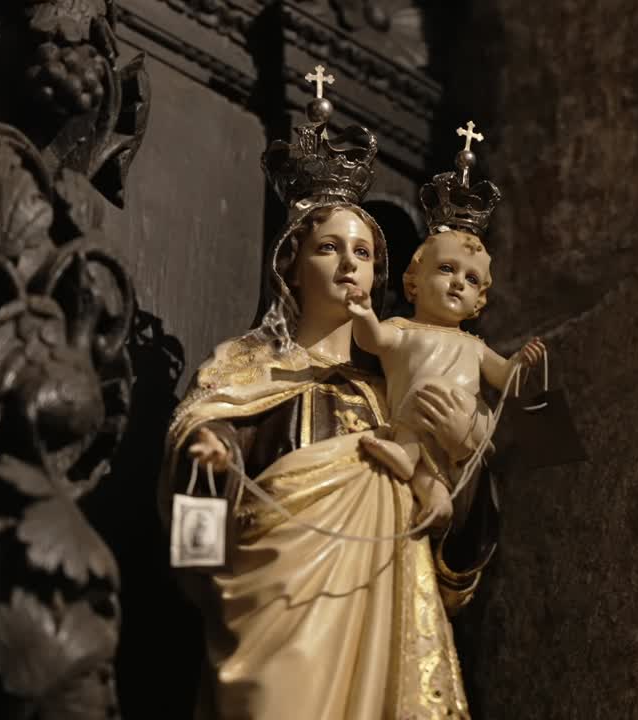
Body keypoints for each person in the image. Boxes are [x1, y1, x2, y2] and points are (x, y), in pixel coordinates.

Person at [159, 89, 497, 719]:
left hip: (381, 615)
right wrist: (206, 463)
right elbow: (194, 537)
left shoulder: (391, 393)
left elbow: (455, 561)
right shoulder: (243, 370)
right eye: (328, 248)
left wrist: (468, 461)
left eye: (363, 253)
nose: (349, 266)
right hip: (272, 611)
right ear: (290, 265)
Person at [344, 229, 546, 531]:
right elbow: (371, 340)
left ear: (478, 302)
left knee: (427, 391)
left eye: (472, 279)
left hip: (469, 420)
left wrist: (521, 362)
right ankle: (437, 502)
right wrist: (364, 314)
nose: (458, 282)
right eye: (447, 268)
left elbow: (507, 379)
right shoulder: (401, 329)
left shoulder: (474, 345)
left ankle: (406, 454)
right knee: (427, 468)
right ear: (414, 281)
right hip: (421, 423)